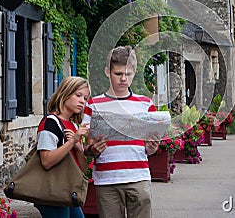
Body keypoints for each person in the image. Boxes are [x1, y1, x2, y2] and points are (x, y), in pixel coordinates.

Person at [83, 46, 160, 218]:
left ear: (134, 73)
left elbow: (149, 149)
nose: (123, 79)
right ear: (107, 72)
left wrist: (152, 147)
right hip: (107, 180)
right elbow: (87, 147)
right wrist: (93, 150)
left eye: (128, 74)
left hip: (138, 176)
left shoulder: (146, 104)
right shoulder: (93, 105)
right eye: (118, 74)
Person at [35, 76, 91, 218]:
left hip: (68, 188)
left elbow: (82, 169)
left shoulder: (73, 125)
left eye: (85, 98)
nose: (82, 101)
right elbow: (46, 161)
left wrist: (78, 147)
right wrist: (72, 141)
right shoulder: (50, 123)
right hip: (53, 190)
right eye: (78, 95)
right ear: (65, 93)